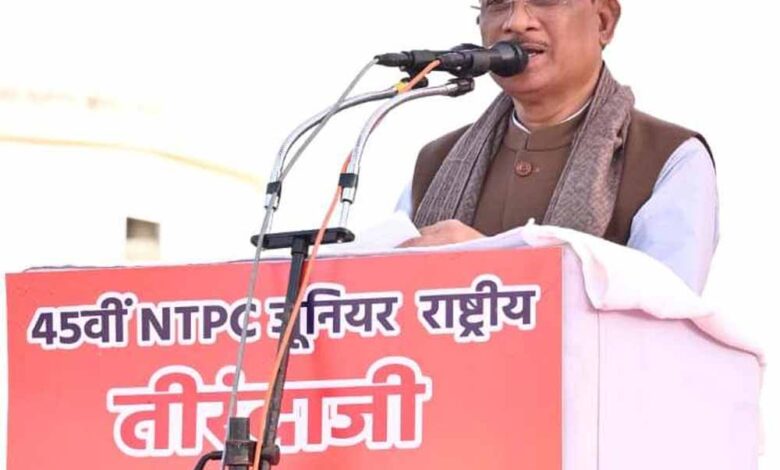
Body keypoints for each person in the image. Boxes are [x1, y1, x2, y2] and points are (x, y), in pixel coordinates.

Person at [397, 0, 718, 294]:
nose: (516, 22)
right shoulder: (436, 162)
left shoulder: (669, 157)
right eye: (497, 3)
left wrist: (494, 266)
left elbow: (667, 310)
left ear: (603, 21)